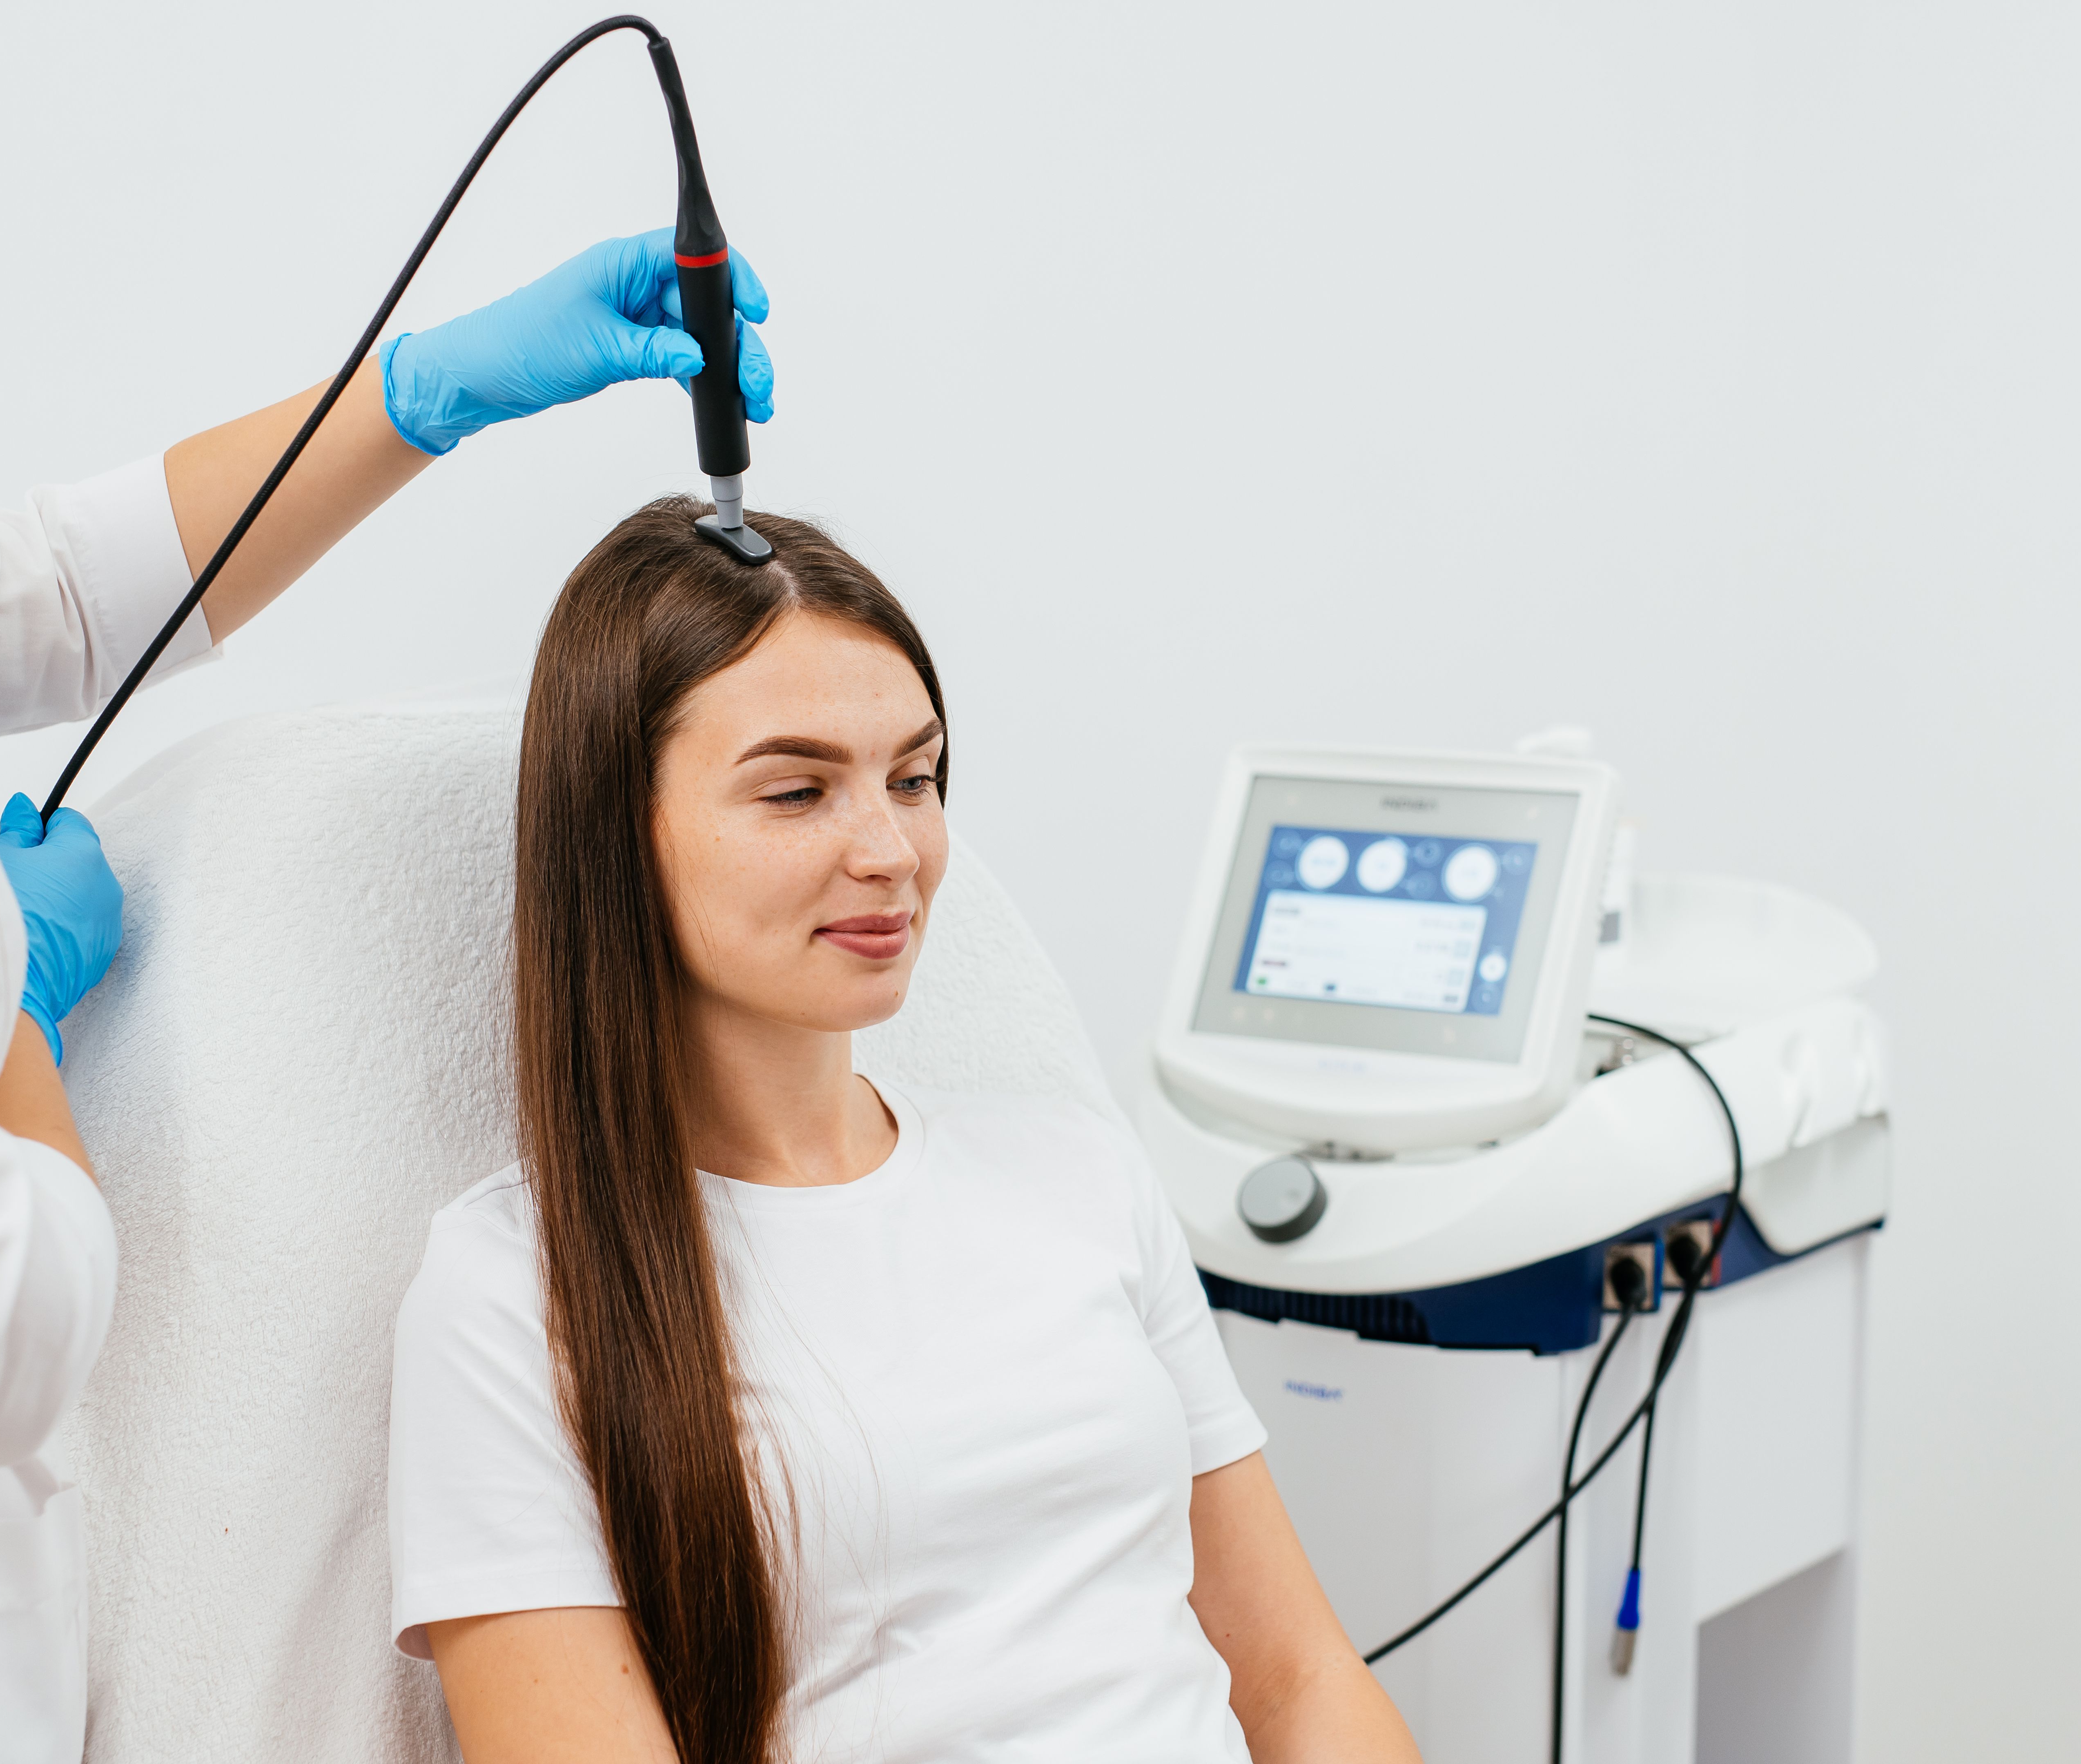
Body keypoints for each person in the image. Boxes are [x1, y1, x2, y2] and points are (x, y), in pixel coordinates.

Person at [0, 232, 772, 1763]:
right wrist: (9, 1020)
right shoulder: (495, 1296)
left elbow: (58, 593)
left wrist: (422, 396)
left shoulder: (1059, 1199)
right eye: (791, 787)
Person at [385, 503, 1423, 1764]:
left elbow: (1303, 1680)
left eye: (914, 779)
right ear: (620, 828)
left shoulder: (1078, 1175)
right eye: (797, 790)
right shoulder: (512, 1295)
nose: (892, 852)